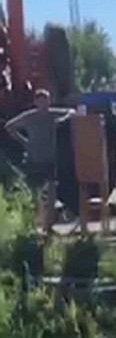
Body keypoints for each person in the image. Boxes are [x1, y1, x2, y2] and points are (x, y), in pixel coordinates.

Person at [5, 89, 73, 233]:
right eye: (40, 101)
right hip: (34, 159)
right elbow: (9, 126)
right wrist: (24, 141)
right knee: (35, 192)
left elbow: (72, 111)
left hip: (50, 158)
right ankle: (34, 224)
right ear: (36, 102)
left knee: (52, 191)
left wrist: (62, 119)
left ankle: (48, 225)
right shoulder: (29, 116)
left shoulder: (52, 114)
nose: (43, 104)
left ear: (49, 101)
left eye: (46, 101)